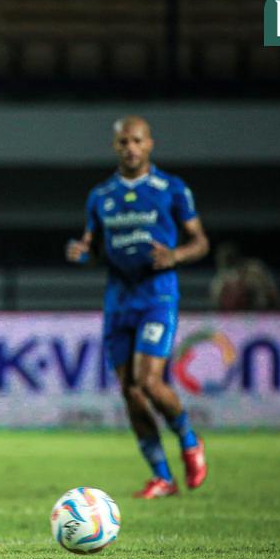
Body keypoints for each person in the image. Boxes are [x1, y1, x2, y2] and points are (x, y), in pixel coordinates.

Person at [66, 116, 210, 499]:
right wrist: (83, 252)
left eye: (137, 141)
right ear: (115, 147)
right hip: (118, 301)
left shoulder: (171, 189)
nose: (130, 148)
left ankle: (189, 440)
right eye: (123, 142)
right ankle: (162, 477)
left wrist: (176, 254)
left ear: (150, 145)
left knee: (149, 381)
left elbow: (200, 242)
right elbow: (94, 248)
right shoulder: (101, 196)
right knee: (130, 391)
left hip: (157, 296)